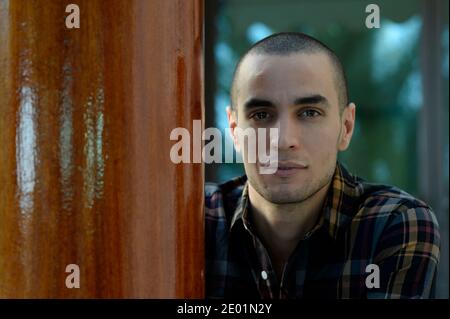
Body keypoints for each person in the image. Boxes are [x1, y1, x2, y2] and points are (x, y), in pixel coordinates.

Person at [205, 32, 440, 299]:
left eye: (309, 113)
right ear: (235, 130)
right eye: (261, 115)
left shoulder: (395, 222)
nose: (284, 141)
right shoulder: (193, 220)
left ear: (346, 127)